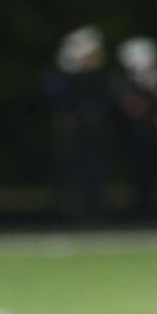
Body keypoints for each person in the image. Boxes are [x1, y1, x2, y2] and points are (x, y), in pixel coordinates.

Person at [47, 24, 111, 223]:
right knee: (75, 173)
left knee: (95, 172)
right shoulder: (67, 78)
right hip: (77, 133)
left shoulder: (97, 77)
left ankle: (93, 211)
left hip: (94, 131)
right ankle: (76, 214)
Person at [115, 36, 157, 215]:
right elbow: (129, 107)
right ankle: (140, 208)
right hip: (134, 133)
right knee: (137, 173)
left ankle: (156, 207)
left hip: (156, 133)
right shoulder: (125, 80)